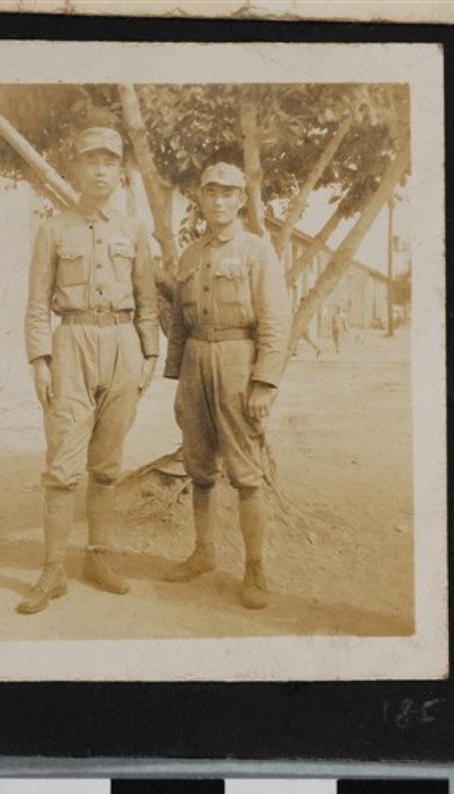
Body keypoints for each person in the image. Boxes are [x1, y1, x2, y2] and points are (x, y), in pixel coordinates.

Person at [18, 125, 159, 614]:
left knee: (106, 466)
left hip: (122, 346)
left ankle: (98, 559)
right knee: (62, 466)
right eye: (91, 161)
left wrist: (149, 354)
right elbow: (37, 302)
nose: (100, 171)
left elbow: (146, 298)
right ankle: (53, 570)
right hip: (71, 345)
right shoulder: (54, 229)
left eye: (109, 162)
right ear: (76, 169)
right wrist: (40, 359)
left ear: (120, 172)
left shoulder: (134, 231)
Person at [164, 162, 291, 609]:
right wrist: (177, 378)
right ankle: (203, 553)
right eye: (211, 193)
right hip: (196, 360)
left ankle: (255, 568)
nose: (218, 201)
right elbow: (178, 323)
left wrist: (264, 383)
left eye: (228, 193)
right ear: (200, 198)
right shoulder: (189, 255)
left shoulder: (257, 251)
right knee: (198, 466)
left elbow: (275, 321)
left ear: (240, 199)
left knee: (245, 472)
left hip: (239, 359)